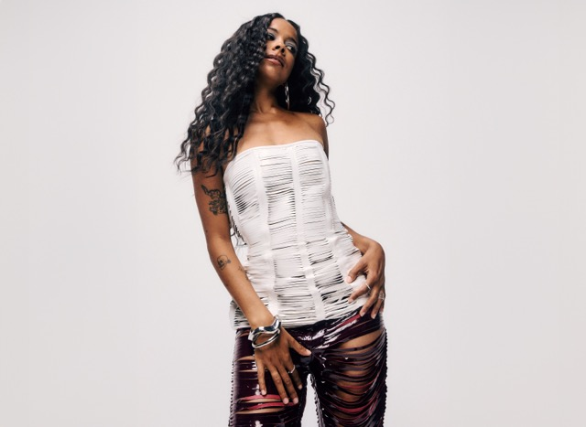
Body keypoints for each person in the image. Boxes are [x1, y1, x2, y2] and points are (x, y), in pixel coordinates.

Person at [174, 12, 388, 427]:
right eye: (271, 38)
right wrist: (263, 327)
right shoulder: (213, 139)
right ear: (245, 51)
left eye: (290, 46)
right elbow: (219, 241)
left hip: (349, 311)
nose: (281, 48)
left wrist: (369, 243)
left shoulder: (312, 124)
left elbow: (313, 212)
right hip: (271, 319)